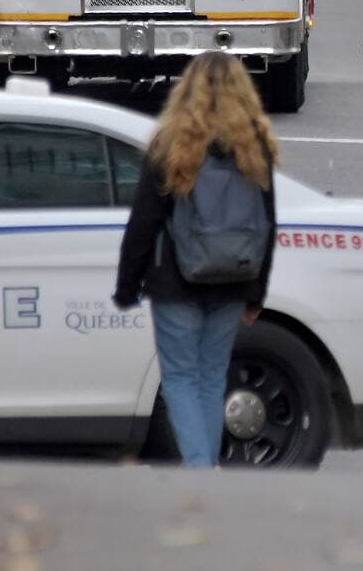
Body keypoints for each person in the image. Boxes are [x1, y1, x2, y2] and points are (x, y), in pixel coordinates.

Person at [112, 51, 280, 468]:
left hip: (175, 283)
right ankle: (207, 467)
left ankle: (200, 469)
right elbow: (267, 225)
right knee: (210, 379)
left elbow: (144, 223)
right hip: (232, 281)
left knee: (181, 381)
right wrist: (256, 291)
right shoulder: (253, 148)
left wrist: (128, 285)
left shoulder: (172, 145)